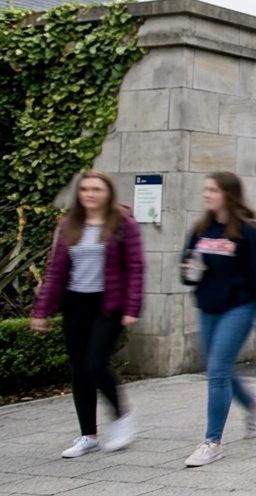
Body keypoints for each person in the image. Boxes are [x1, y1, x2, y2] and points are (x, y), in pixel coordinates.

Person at [30, 170, 143, 458]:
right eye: (85, 189)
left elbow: (135, 269)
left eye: (97, 189)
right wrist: (41, 310)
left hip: (108, 305)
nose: (90, 194)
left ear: (108, 193)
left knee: (95, 364)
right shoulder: (69, 225)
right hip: (75, 304)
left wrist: (132, 308)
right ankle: (88, 435)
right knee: (79, 370)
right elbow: (55, 272)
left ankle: (121, 416)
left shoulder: (123, 225)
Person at [180, 172, 256, 468]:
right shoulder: (201, 229)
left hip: (239, 307)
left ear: (229, 194)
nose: (207, 194)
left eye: (213, 190)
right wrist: (187, 271)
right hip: (208, 306)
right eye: (206, 189)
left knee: (218, 369)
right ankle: (252, 404)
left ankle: (212, 442)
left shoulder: (249, 231)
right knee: (216, 368)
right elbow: (187, 269)